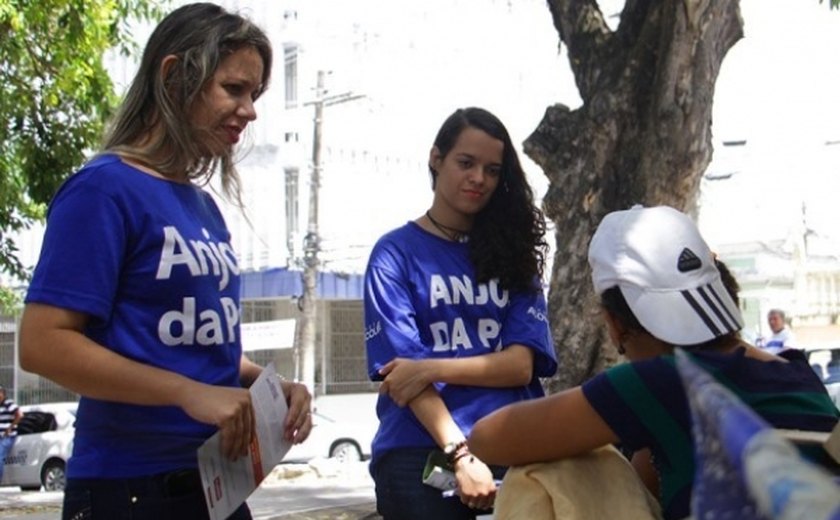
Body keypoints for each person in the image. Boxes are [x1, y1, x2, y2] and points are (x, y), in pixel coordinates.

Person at [17, 4, 312, 519]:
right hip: (129, 488)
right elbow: (42, 344)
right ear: (174, 76)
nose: (250, 111)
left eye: (255, 94)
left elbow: (189, 349)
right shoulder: (103, 190)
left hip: (216, 486)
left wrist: (266, 387)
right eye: (234, 89)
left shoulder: (204, 208)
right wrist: (185, 393)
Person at [467, 205, 839, 520]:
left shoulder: (664, 382)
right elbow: (650, 487)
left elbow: (487, 438)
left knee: (547, 467)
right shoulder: (796, 370)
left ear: (614, 325)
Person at [364, 107, 558, 520]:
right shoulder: (394, 254)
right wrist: (460, 453)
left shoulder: (514, 255)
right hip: (419, 450)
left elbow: (521, 366)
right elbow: (404, 379)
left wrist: (432, 366)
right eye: (465, 163)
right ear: (436, 158)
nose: (479, 179)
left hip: (513, 443)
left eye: (492, 170)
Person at [0, 385, 22, 483]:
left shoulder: (8, 403)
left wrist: (10, 427)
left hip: (7, 436)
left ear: (3, 394)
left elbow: (19, 414)